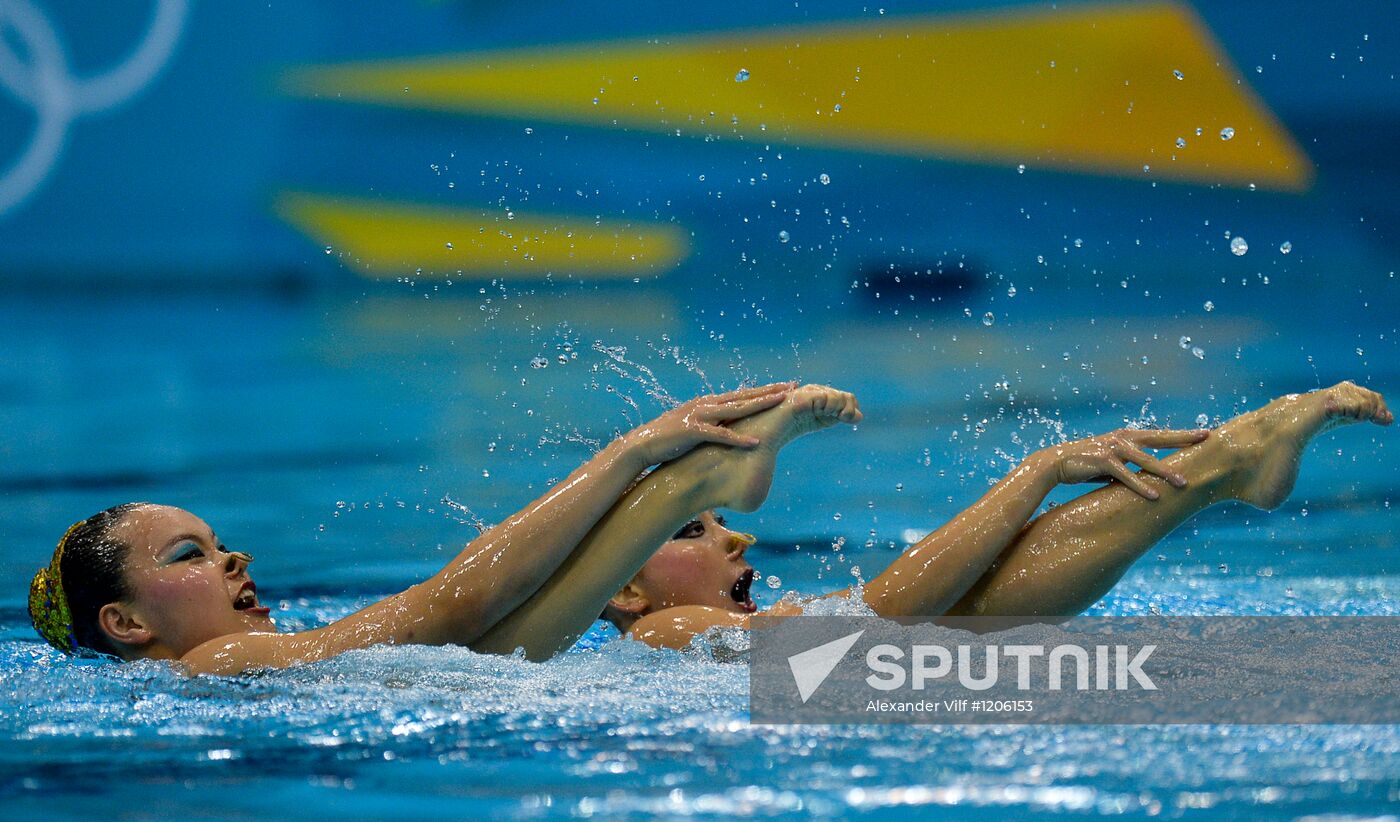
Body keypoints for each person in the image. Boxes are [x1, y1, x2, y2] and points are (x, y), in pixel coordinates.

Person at [28, 382, 826, 674]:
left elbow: (474, 632)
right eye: (189, 556)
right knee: (910, 649)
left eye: (217, 541)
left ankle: (686, 485)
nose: (234, 557)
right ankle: (678, 482)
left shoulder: (257, 666)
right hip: (848, 681)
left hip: (500, 682)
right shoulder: (217, 666)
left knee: (498, 644)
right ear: (126, 623)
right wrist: (634, 451)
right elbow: (453, 603)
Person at [600, 381, 1393, 650]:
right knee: (920, 624)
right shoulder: (656, 632)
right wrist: (1039, 469)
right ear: (624, 593)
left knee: (965, 613)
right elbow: (853, 637)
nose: (737, 535)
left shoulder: (703, 637)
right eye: (689, 529)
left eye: (713, 519)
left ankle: (1222, 468)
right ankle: (1221, 468)